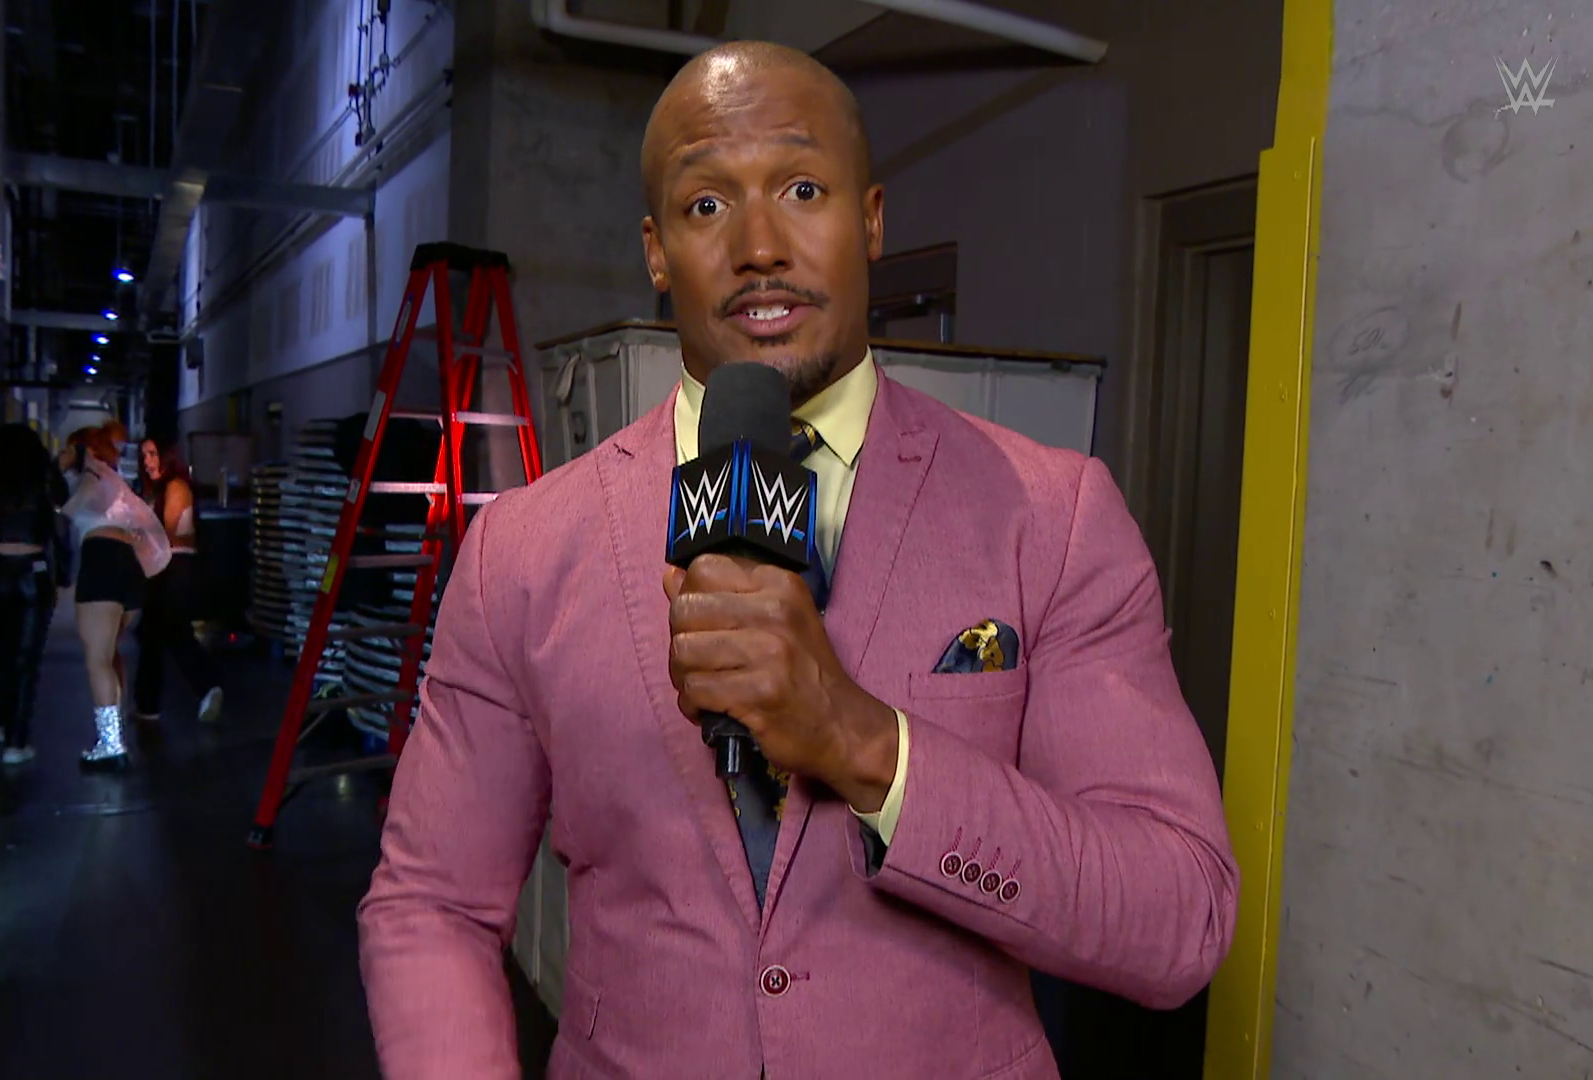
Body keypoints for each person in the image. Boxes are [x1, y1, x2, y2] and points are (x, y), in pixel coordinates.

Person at [358, 42, 1238, 1079]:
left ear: (871, 220)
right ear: (655, 252)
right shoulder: (522, 549)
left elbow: (1178, 918)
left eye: (803, 189)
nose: (760, 246)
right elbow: (432, 903)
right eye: (706, 205)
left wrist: (864, 745)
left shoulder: (1054, 516)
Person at [60, 423, 172, 771]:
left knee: (97, 658)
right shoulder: (117, 483)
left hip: (102, 561)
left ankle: (110, 745)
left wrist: (70, 461)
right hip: (130, 569)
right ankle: (114, 734)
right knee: (109, 655)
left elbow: (65, 506)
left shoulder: (91, 474)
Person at [0, 423, 67, 766]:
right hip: (33, 572)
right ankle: (16, 741)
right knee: (25, 660)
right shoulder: (44, 481)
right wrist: (62, 571)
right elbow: (61, 523)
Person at [131, 436, 224, 725]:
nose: (147, 462)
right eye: (144, 456)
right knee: (155, 634)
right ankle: (149, 705)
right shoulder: (161, 489)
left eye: (153, 454)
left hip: (174, 568)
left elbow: (167, 530)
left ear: (166, 456)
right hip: (165, 568)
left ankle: (206, 687)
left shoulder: (176, 488)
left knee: (169, 632)